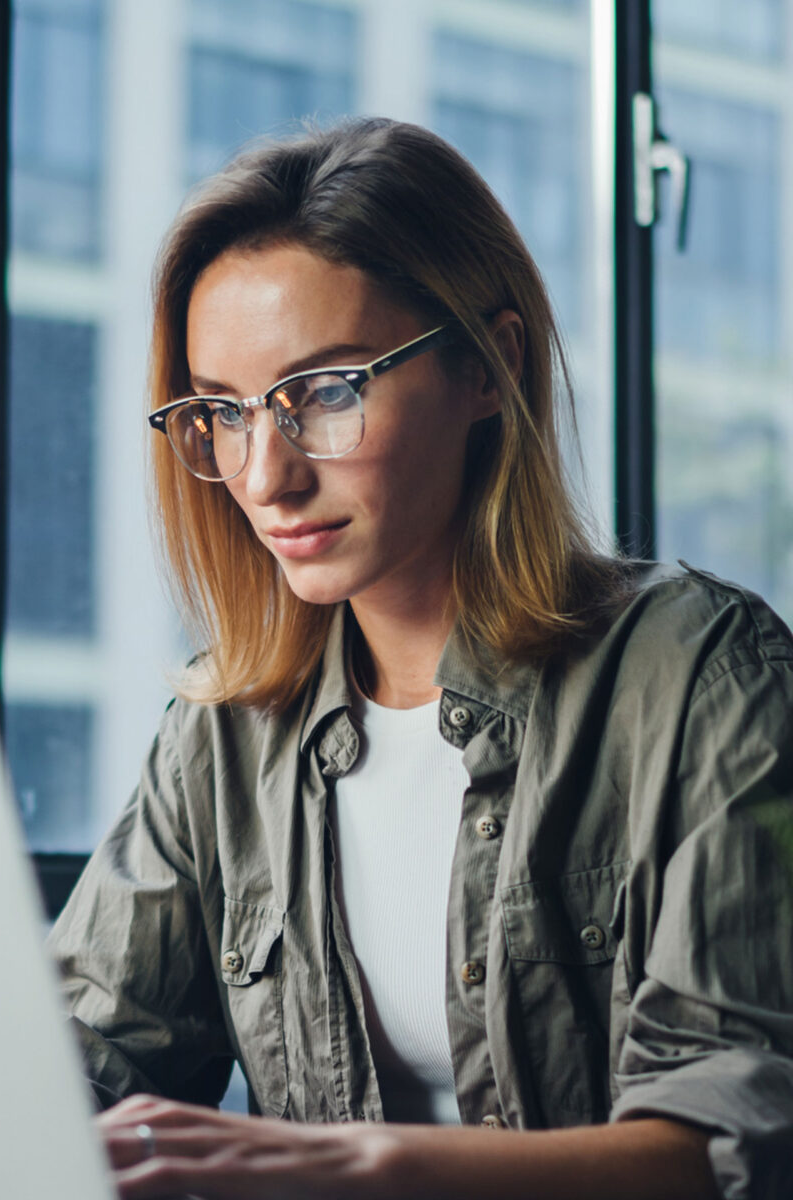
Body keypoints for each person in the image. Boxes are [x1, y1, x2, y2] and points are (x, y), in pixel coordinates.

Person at [47, 119, 793, 1200]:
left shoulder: (705, 676)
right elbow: (82, 1061)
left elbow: (734, 1142)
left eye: (326, 393)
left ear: (492, 367)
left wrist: (369, 1166)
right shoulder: (225, 731)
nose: (267, 477)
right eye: (223, 412)